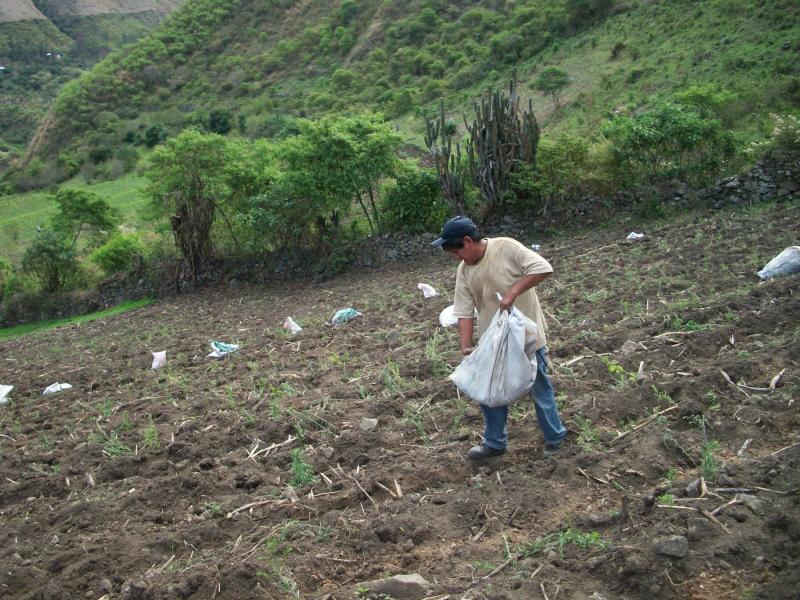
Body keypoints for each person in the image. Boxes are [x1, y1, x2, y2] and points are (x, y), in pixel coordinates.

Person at [432, 215, 566, 460]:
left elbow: (542, 267)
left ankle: (555, 438)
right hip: (492, 340)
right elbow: (463, 311)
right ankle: (495, 443)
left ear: (467, 241)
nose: (456, 258)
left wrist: (512, 293)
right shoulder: (464, 270)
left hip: (526, 336)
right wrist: (466, 346)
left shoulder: (506, 247)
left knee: (539, 387)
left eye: (456, 251)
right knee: (489, 391)